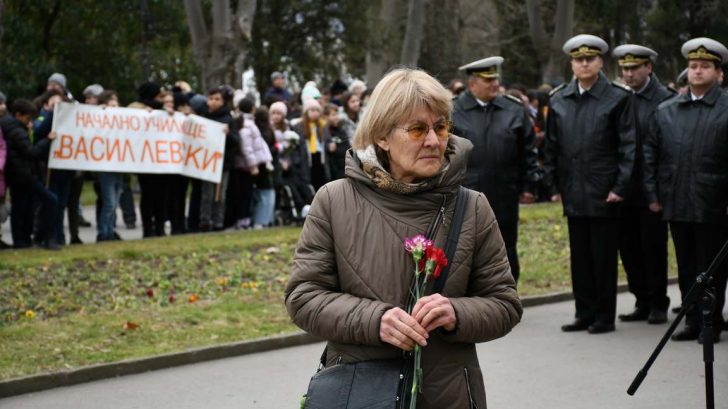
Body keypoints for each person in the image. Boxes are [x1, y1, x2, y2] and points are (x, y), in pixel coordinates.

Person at [285, 68, 522, 409]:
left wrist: (456, 312)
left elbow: (504, 304)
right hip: (361, 394)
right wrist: (374, 320)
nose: (433, 141)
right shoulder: (334, 201)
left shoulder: (472, 207)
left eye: (441, 127)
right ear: (382, 136)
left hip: (449, 394)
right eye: (417, 129)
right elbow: (304, 297)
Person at [544, 34, 636, 334]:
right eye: (578, 59)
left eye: (590, 58)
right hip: (573, 189)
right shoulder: (559, 99)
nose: (584, 64)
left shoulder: (618, 98)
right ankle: (583, 312)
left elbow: (628, 146)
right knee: (580, 258)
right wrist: (553, 186)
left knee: (603, 258)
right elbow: (552, 147)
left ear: (600, 62)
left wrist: (620, 186)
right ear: (572, 64)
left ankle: (604, 316)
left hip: (604, 190)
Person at [643, 37, 728, 344]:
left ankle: (711, 322)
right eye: (693, 66)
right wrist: (653, 195)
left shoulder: (725, 108)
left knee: (713, 266)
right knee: (687, 264)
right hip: (677, 201)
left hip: (714, 202)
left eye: (705, 66)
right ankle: (692, 319)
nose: (697, 71)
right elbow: (651, 155)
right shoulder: (667, 110)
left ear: (719, 73)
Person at [452, 56, 541, 283]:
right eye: (488, 80)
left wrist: (529, 186)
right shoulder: (454, 110)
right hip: (466, 194)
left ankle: (507, 294)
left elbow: (528, 151)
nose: (495, 84)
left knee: (506, 248)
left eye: (495, 79)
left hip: (505, 194)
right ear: (472, 84)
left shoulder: (513, 109)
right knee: (468, 249)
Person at [611, 44, 675, 325]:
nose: (629, 74)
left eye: (634, 68)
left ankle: (658, 302)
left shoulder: (665, 99)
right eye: (625, 69)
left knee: (653, 249)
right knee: (629, 249)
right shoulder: (620, 98)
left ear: (648, 68)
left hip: (653, 189)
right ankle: (641, 300)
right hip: (624, 187)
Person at [0, 99, 59, 249]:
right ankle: (38, 238)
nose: (30, 121)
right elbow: (31, 152)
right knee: (48, 201)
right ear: (18, 115)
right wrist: (47, 140)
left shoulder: (13, 128)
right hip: (24, 175)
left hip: (19, 175)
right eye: (27, 118)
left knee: (22, 208)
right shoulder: (17, 131)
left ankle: (22, 240)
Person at [292, 99, 330, 190]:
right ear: (306, 112)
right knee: (309, 185)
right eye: (312, 110)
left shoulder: (323, 125)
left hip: (321, 158)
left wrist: (330, 145)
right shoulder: (298, 126)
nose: (315, 113)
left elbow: (328, 140)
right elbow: (296, 146)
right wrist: (297, 161)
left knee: (322, 184)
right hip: (306, 159)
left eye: (317, 110)